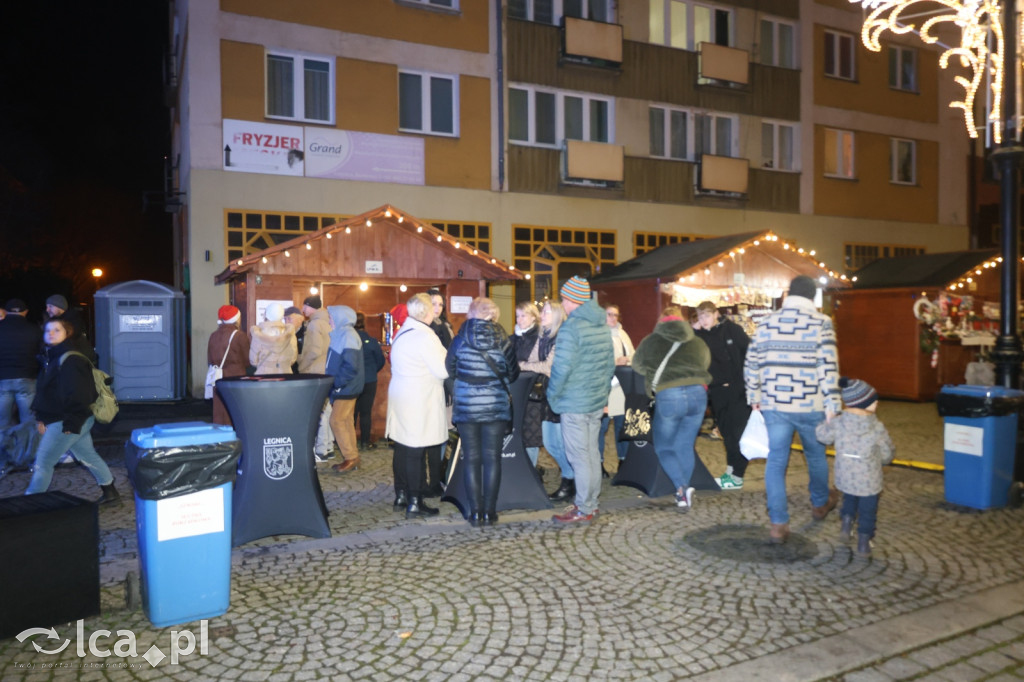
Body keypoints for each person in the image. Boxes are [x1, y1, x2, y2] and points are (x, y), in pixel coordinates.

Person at [744, 274, 842, 544]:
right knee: (815, 456)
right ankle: (820, 504)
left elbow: (751, 363)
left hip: (775, 404)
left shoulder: (767, 323)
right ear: (812, 298)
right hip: (811, 404)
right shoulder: (822, 322)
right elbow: (828, 366)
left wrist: (754, 395)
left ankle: (778, 523)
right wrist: (833, 404)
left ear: (788, 295)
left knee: (776, 462)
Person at [24, 316, 120, 504]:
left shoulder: (71, 359)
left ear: (67, 333)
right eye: (48, 330)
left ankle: (30, 504)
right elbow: (46, 392)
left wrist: (72, 423)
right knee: (87, 455)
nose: (51, 334)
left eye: (57, 330)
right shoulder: (51, 357)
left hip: (69, 420)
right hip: (67, 419)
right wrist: (41, 417)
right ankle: (111, 493)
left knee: (43, 462)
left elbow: (78, 395)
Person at [446, 297, 519, 526]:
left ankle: (475, 512)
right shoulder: (503, 339)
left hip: (467, 408)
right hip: (495, 407)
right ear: (493, 315)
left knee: (471, 460)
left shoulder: (460, 339)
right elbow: (513, 372)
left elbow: (450, 368)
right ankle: (490, 511)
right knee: (492, 459)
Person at [548, 276, 615, 523]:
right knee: (591, 454)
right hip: (595, 401)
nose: (563, 304)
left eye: (564, 299)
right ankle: (591, 503)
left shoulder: (571, 328)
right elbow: (609, 366)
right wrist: (602, 394)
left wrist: (552, 396)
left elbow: (561, 369)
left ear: (571, 300)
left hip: (575, 403)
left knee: (579, 456)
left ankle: (584, 508)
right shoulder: (600, 325)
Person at [632, 305, 711, 512]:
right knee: (685, 445)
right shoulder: (697, 341)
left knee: (664, 446)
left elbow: (637, 365)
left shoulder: (651, 340)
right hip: (698, 394)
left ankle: (682, 488)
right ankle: (683, 494)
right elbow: (706, 362)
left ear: (661, 320)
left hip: (670, 395)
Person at [386, 293, 449, 518]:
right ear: (426, 312)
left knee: (403, 448)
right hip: (419, 399)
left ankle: (402, 494)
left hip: (402, 395)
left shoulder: (404, 331)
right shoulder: (426, 336)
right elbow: (443, 369)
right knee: (415, 450)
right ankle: (415, 502)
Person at [815, 378, 895, 557]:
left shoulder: (838, 422)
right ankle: (864, 541)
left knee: (849, 499)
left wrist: (827, 420)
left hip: (845, 476)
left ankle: (846, 524)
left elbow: (822, 437)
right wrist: (883, 460)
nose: (877, 403)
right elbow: (887, 452)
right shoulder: (876, 427)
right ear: (864, 404)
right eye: (874, 401)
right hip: (870, 480)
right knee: (868, 510)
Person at [693, 300, 752, 490]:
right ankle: (731, 470)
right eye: (700, 316)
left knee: (737, 434)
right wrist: (693, 329)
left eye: (707, 315)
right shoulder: (700, 336)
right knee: (726, 433)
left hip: (737, 391)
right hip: (717, 391)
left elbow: (749, 352)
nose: (704, 320)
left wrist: (748, 383)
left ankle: (737, 476)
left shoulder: (731, 330)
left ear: (716, 314)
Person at [325, 305, 364, 474]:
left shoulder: (347, 335)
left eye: (331, 317)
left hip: (346, 387)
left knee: (337, 420)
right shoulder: (343, 334)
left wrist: (337, 383)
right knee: (346, 420)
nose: (329, 320)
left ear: (340, 318)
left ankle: (350, 457)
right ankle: (352, 456)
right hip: (347, 386)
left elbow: (351, 366)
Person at [425, 288, 455, 496]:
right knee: (433, 433)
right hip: (431, 387)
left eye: (440, 304)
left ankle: (438, 476)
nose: (437, 308)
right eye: (433, 304)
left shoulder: (445, 326)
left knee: (442, 432)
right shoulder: (427, 328)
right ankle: (434, 477)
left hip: (445, 387)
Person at [598, 303, 634, 472]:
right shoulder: (598, 334)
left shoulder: (622, 334)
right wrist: (615, 362)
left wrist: (628, 360)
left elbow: (633, 355)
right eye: (609, 314)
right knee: (602, 425)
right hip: (602, 384)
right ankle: (599, 462)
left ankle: (623, 460)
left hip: (619, 384)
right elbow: (595, 361)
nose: (613, 318)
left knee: (620, 424)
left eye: (616, 315)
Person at [299, 295, 335, 461]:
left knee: (319, 412)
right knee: (327, 410)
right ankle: (328, 447)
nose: (303, 310)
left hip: (315, 371)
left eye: (305, 306)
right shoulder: (327, 322)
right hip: (326, 369)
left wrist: (302, 366)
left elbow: (313, 351)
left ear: (311, 307)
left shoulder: (314, 324)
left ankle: (321, 451)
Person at [207, 305, 251, 426]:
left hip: (218, 377)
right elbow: (248, 360)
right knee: (234, 410)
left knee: (219, 410)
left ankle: (221, 437)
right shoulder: (240, 336)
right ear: (236, 319)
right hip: (236, 377)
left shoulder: (213, 335)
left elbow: (210, 360)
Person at [0, 299, 40, 430]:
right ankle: (28, 449)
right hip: (27, 378)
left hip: (3, 379)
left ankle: (3, 448)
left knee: (2, 422)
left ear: (6, 311)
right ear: (26, 312)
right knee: (29, 421)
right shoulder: (34, 330)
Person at [511, 302, 544, 466]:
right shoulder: (513, 338)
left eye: (523, 315)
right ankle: (520, 469)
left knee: (531, 435)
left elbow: (541, 363)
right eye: (517, 315)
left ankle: (531, 469)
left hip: (532, 392)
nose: (519, 319)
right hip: (515, 392)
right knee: (517, 433)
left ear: (533, 317)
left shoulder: (540, 338)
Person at [354, 311, 386, 450]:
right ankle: (365, 442)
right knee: (366, 413)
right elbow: (380, 361)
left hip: (354, 380)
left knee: (352, 413)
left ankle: (349, 443)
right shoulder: (372, 341)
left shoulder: (349, 340)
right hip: (370, 380)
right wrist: (372, 371)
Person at [250, 302, 297, 375]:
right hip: (286, 374)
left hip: (264, 375)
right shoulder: (289, 333)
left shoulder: (258, 334)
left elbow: (253, 360)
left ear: (266, 314)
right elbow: (293, 358)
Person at [284, 306, 305, 374]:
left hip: (302, 371)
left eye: (289, 319)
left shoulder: (306, 333)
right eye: (285, 319)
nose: (286, 322)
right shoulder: (284, 334)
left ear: (300, 319)